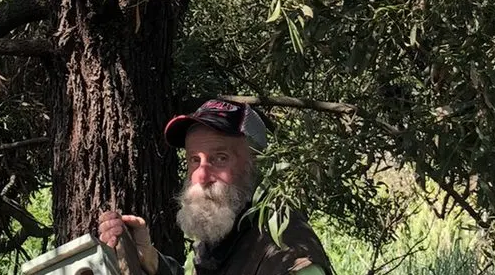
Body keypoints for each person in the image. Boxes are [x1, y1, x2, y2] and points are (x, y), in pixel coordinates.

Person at [99, 98, 331, 275]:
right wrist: (151, 261)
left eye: (220, 158)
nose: (201, 175)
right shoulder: (225, 229)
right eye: (194, 160)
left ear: (258, 165)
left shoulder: (290, 256)